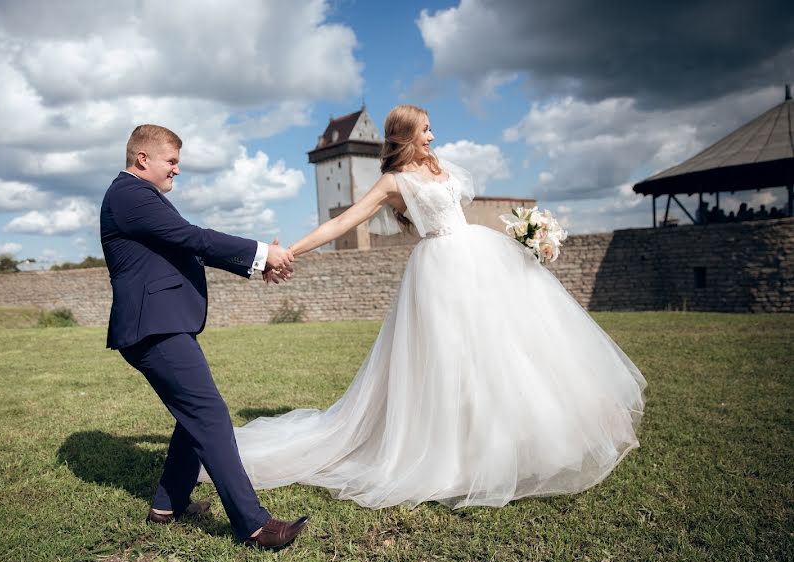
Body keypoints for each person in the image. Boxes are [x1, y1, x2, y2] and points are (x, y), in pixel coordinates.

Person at [217, 105, 647, 510]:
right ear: (405, 135)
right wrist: (289, 251)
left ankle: (519, 439)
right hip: (439, 269)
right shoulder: (392, 182)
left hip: (479, 255)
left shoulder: (438, 165)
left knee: (507, 346)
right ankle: (461, 455)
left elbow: (460, 209)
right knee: (452, 357)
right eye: (425, 130)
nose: (433, 135)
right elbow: (343, 222)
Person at [100, 124, 308, 549]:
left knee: (194, 414)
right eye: (171, 162)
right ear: (143, 159)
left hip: (160, 325)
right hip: (152, 328)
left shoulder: (142, 199)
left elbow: (187, 248)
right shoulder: (130, 195)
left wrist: (256, 267)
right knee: (209, 414)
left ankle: (167, 505)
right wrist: (263, 252)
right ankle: (254, 525)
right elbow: (192, 236)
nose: (177, 171)